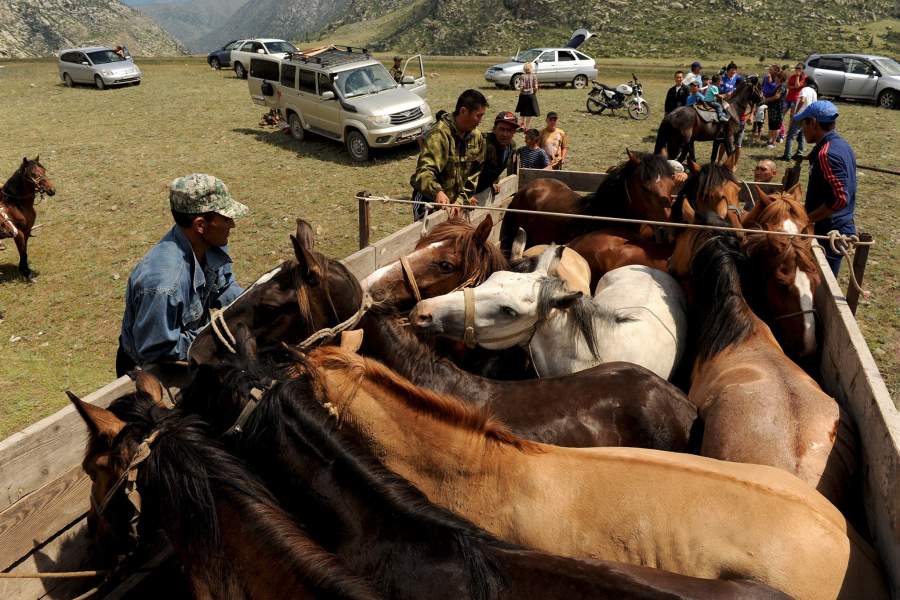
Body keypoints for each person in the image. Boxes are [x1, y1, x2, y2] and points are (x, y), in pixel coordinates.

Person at [117, 174, 248, 376]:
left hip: (193, 352)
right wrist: (219, 333)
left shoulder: (209, 245)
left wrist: (252, 306)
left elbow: (224, 287)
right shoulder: (164, 284)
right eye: (225, 218)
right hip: (153, 372)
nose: (232, 224)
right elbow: (157, 350)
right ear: (200, 225)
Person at [794, 100, 857, 274]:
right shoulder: (842, 145)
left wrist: (807, 219)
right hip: (833, 225)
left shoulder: (826, 154)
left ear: (813, 123)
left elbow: (839, 199)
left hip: (830, 230)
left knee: (821, 283)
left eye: (804, 123)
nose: (802, 129)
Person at [410, 89, 488, 221]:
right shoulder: (440, 134)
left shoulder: (477, 137)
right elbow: (424, 172)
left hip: (455, 204)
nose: (480, 121)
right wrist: (437, 192)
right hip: (429, 201)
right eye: (478, 116)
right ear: (463, 111)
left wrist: (460, 200)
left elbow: (474, 174)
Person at [476, 111, 519, 194]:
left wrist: (492, 181)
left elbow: (496, 167)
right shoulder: (482, 144)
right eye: (501, 129)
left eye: (509, 130)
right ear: (494, 129)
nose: (505, 134)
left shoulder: (511, 146)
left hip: (483, 191)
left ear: (514, 132)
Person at [781, 79, 817, 160]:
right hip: (809, 116)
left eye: (804, 82)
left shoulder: (804, 89)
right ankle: (799, 154)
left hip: (801, 115)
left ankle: (787, 155)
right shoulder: (814, 92)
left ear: (806, 83)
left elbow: (802, 100)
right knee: (802, 136)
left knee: (790, 136)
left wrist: (796, 112)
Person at [763, 68, 786, 148]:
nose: (775, 78)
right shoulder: (777, 86)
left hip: (778, 110)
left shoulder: (782, 87)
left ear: (780, 78)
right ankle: (769, 141)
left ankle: (773, 142)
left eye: (776, 77)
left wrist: (766, 99)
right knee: (771, 125)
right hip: (772, 109)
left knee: (776, 127)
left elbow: (776, 96)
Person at [515, 62, 540, 130]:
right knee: (529, 112)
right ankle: (527, 127)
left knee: (523, 111)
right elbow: (536, 87)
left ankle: (522, 125)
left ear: (524, 69)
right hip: (531, 95)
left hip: (523, 96)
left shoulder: (522, 76)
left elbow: (521, 86)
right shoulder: (534, 76)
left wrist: (521, 92)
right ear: (531, 68)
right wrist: (534, 92)